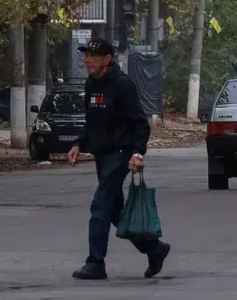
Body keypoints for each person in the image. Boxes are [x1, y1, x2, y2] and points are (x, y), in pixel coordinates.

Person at [66, 38, 169, 281]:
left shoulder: (123, 85)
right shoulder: (91, 85)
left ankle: (95, 263)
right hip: (102, 155)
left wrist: (137, 153)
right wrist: (78, 143)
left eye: (93, 55)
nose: (87, 59)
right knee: (115, 213)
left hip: (120, 154)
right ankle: (155, 249)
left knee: (100, 206)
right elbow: (92, 122)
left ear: (107, 59)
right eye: (85, 54)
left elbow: (140, 124)